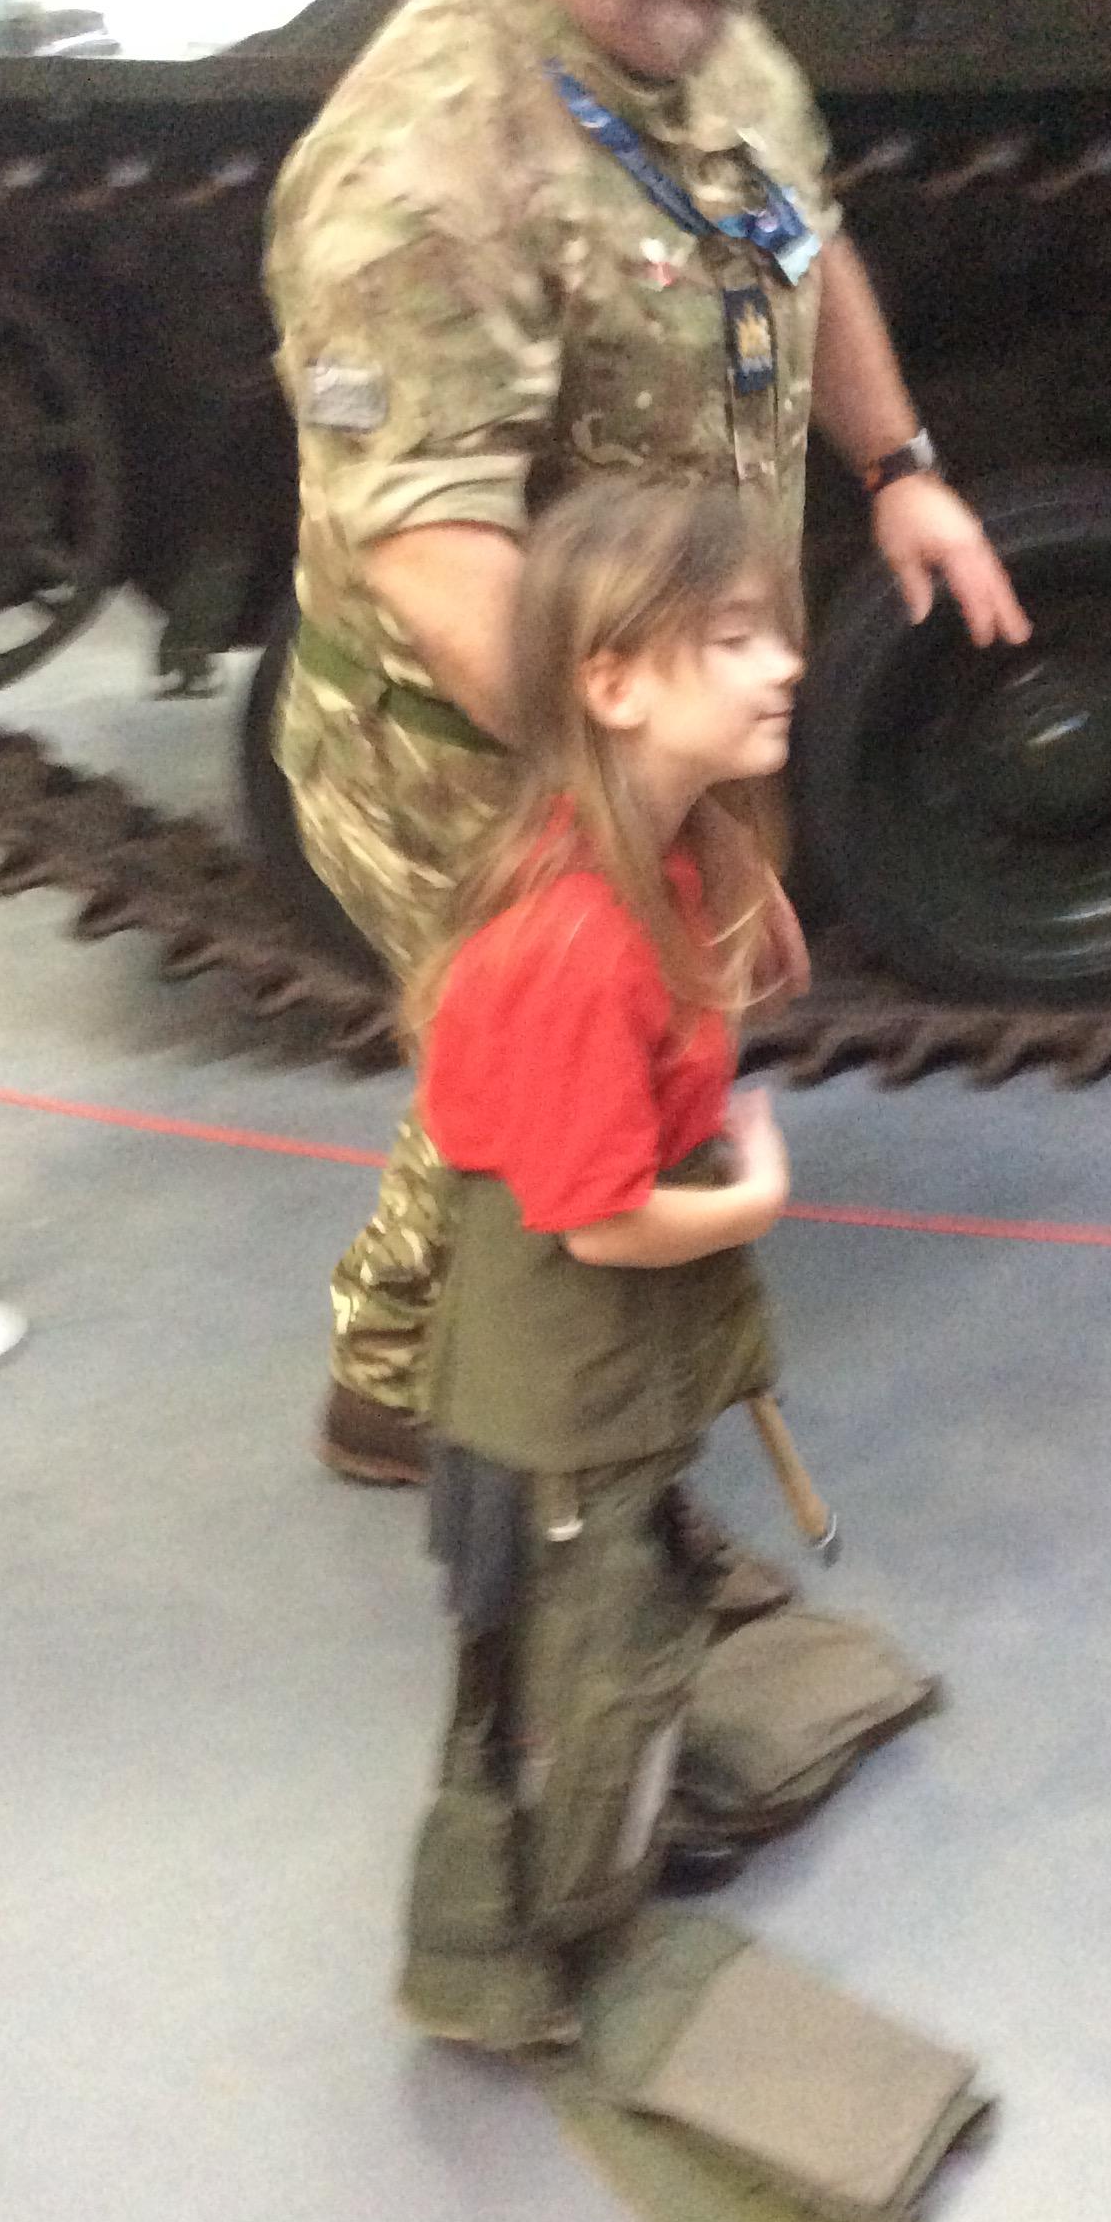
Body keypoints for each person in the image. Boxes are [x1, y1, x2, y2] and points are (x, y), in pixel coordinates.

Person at [264, 0, 1029, 1499]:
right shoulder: (420, 162)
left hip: (655, 712)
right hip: (474, 746)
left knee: (574, 1061)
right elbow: (441, 561)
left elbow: (804, 234)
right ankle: (493, 1442)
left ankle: (450, 1374)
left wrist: (899, 467)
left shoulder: (707, 27)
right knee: (545, 1093)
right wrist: (670, 835)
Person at [396, 477, 817, 2048]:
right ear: (616, 684)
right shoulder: (579, 941)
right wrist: (755, 1200)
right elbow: (595, 1219)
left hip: (599, 1328)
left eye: (772, 632)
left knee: (606, 1598)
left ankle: (595, 1853)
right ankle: (540, 1947)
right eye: (735, 638)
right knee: (582, 1652)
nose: (785, 664)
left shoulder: (672, 851)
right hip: (565, 1329)